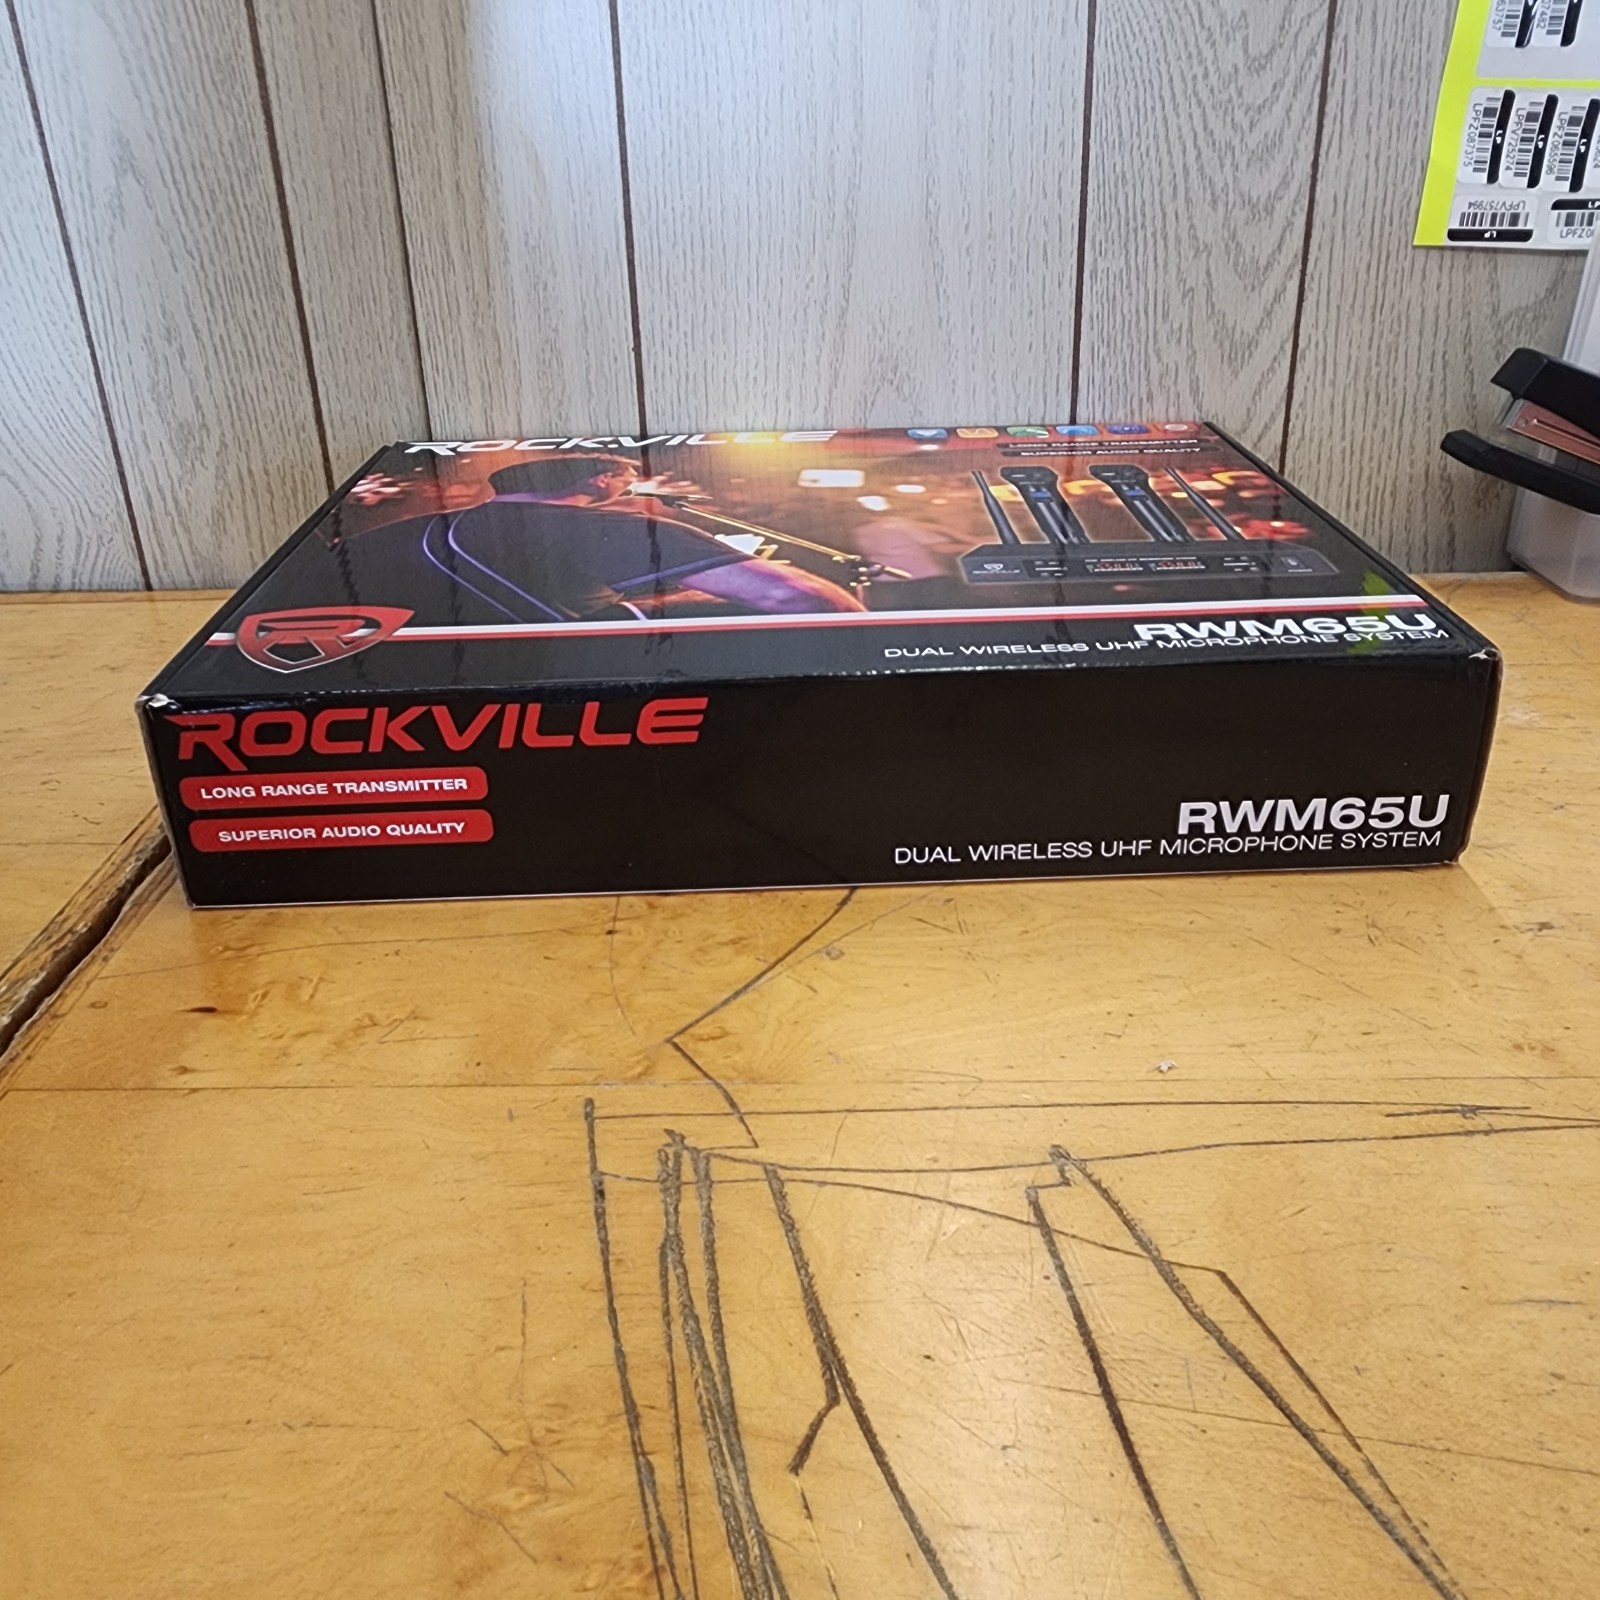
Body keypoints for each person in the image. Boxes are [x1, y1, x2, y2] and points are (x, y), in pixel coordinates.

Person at [303, 453, 863, 624]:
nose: (634, 486)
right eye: (626, 476)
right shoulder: (613, 527)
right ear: (600, 481)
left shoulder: (387, 536)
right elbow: (800, 598)